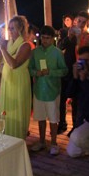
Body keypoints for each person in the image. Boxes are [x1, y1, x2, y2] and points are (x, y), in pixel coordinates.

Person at [29, 26, 67, 155]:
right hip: (39, 89)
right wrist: (36, 72)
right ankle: (41, 141)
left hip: (53, 90)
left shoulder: (57, 53)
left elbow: (64, 70)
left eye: (48, 38)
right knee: (40, 118)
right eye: (43, 38)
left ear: (53, 39)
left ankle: (54, 143)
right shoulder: (35, 52)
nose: (45, 40)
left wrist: (50, 72)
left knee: (53, 118)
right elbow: (30, 68)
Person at [0, 15, 32, 139]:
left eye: (13, 28)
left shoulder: (26, 45)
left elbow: (13, 64)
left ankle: (18, 139)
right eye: (9, 28)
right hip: (7, 81)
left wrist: (3, 49)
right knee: (6, 111)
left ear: (20, 29)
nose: (10, 31)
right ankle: (6, 138)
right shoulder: (8, 43)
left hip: (19, 81)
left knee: (17, 112)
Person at [57, 11, 89, 135]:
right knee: (62, 98)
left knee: (76, 100)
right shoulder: (65, 32)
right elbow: (59, 46)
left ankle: (75, 126)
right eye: (78, 21)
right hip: (66, 68)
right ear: (75, 20)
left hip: (79, 69)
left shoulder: (86, 35)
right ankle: (62, 123)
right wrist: (69, 37)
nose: (80, 24)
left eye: (83, 22)